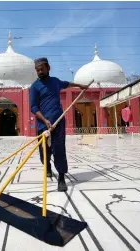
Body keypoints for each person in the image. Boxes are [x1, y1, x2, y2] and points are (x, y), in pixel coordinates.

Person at [29, 57, 88, 192]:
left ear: (48, 68)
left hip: (59, 122)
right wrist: (44, 120)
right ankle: (47, 166)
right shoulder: (34, 87)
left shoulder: (55, 82)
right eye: (37, 70)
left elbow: (66, 84)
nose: (39, 72)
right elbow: (33, 107)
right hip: (43, 125)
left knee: (59, 149)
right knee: (44, 152)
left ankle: (61, 177)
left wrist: (80, 86)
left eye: (41, 69)